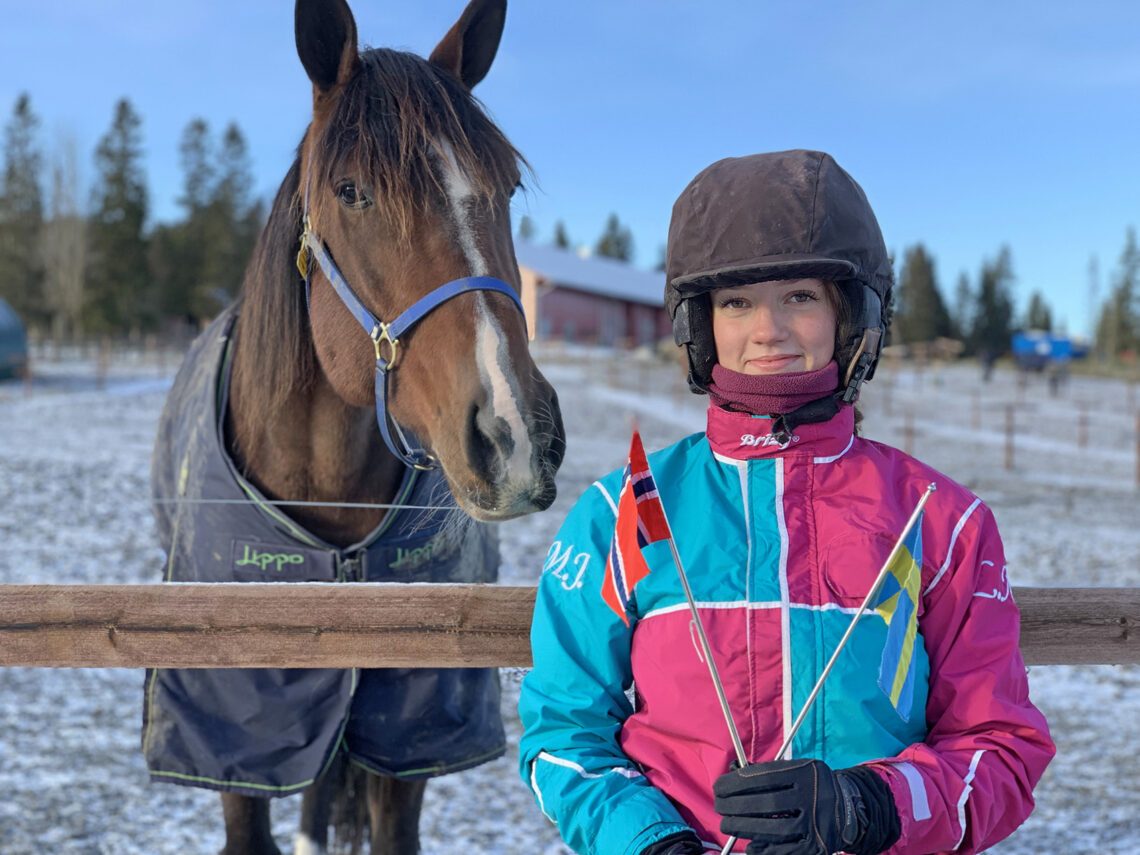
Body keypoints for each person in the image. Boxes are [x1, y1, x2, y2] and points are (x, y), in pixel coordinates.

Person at [518, 151, 1054, 855]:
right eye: (737, 302)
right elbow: (563, 731)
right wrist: (648, 841)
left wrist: (868, 807)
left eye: (798, 296)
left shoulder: (941, 522)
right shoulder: (623, 512)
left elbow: (1001, 750)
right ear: (699, 325)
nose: (767, 330)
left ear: (849, 313)